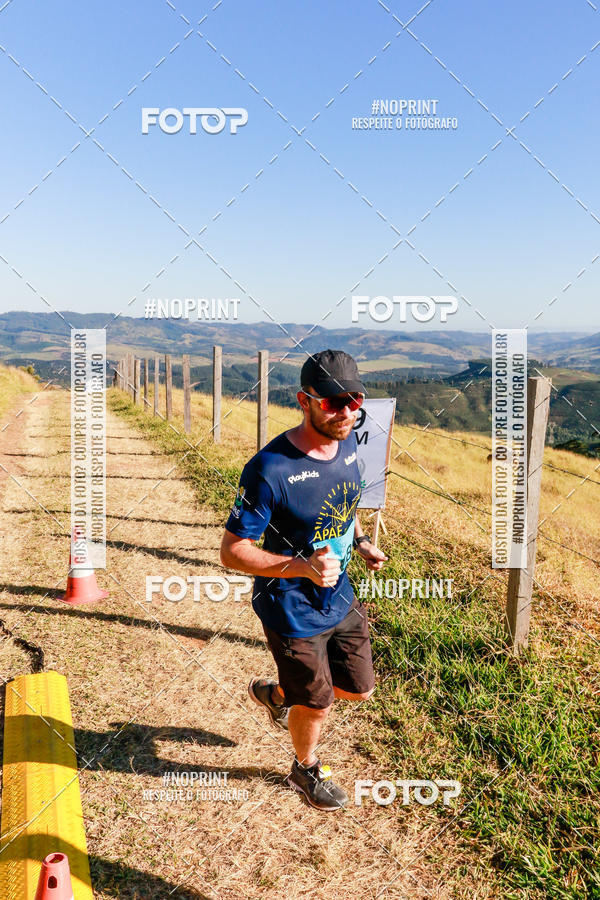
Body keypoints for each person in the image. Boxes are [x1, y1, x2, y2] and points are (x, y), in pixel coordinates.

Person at [220, 349, 387, 810]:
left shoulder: (351, 443)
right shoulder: (269, 470)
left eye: (354, 399)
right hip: (289, 604)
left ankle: (277, 696)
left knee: (358, 689)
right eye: (333, 402)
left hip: (339, 594)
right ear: (304, 400)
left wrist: (359, 542)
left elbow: (341, 507)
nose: (347, 411)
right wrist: (300, 567)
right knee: (318, 702)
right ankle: (305, 767)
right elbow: (232, 551)